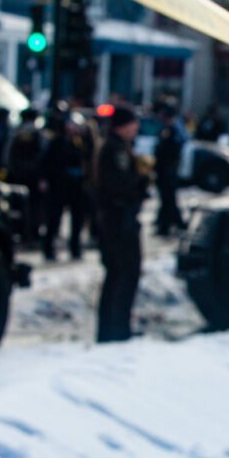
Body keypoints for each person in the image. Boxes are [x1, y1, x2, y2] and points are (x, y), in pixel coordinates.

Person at [94, 102, 149, 342]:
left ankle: (115, 327)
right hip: (118, 219)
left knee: (120, 274)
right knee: (123, 274)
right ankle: (115, 329)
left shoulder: (119, 147)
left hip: (116, 218)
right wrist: (142, 182)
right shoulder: (115, 150)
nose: (136, 128)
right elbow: (120, 185)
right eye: (133, 124)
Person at [38, 101, 91, 261]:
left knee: (77, 219)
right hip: (58, 185)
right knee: (54, 219)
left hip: (76, 186)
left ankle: (75, 248)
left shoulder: (81, 143)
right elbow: (45, 162)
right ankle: (49, 248)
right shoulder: (57, 142)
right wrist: (44, 179)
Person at [5, 107, 45, 242]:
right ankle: (33, 232)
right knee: (35, 205)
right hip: (34, 176)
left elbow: (8, 155)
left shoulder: (16, 134)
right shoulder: (38, 135)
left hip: (18, 175)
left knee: (19, 205)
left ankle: (21, 232)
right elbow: (43, 156)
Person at [153, 103, 185, 236]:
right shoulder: (166, 129)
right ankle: (166, 223)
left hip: (168, 169)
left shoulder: (173, 130)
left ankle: (171, 223)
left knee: (169, 197)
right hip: (163, 169)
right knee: (166, 197)